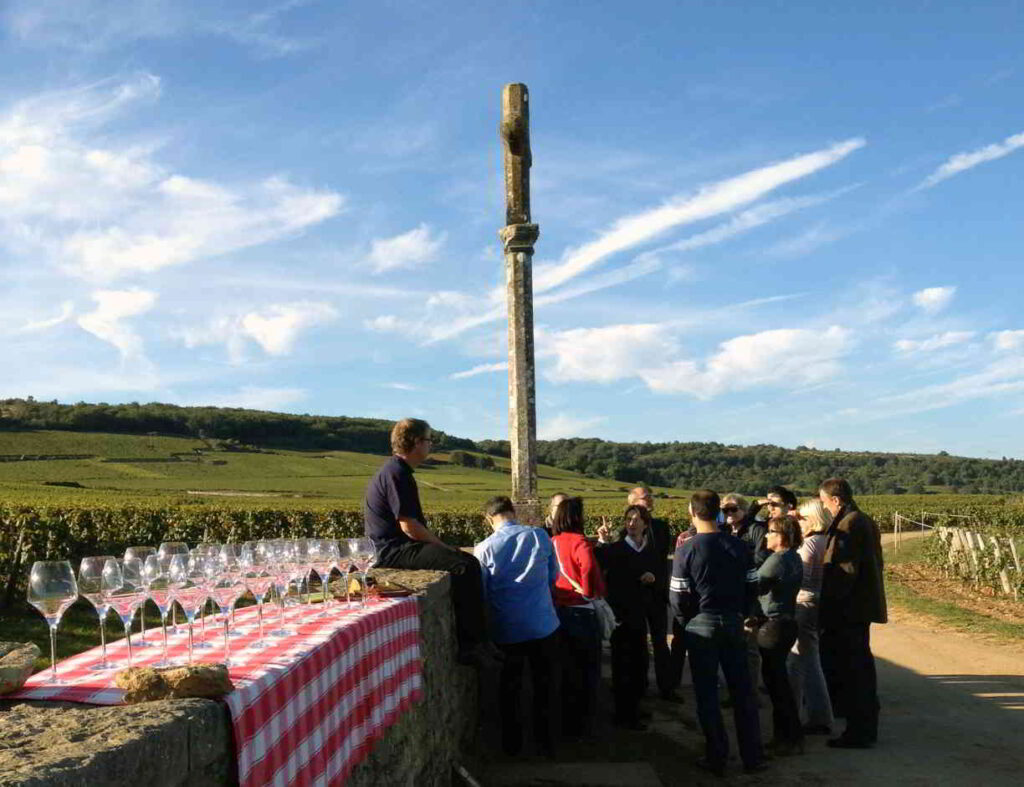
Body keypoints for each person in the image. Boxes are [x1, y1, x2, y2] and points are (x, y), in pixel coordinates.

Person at [363, 418, 497, 666]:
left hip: (396, 547)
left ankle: (480, 642)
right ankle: (471, 646)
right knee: (465, 566)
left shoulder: (395, 470)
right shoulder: (398, 473)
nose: (431, 444)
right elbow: (409, 526)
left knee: (465, 562)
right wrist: (443, 547)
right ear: (415, 442)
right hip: (394, 551)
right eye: (428, 439)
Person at [671, 490, 766, 777]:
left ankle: (717, 756)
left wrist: (686, 621)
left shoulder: (686, 549)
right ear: (720, 512)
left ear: (692, 511)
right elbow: (753, 584)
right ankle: (753, 756)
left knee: (707, 694)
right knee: (742, 692)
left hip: (701, 623)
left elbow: (678, 595)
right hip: (733, 623)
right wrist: (744, 612)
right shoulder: (738, 546)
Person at [474, 496, 561, 756]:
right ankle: (546, 743)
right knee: (544, 686)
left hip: (507, 628)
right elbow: (552, 577)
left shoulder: (484, 548)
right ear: (513, 512)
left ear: (489, 519)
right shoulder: (539, 537)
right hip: (543, 624)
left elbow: (483, 592)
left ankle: (512, 745)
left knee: (510, 689)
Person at [818, 478, 887, 749]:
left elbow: (843, 572)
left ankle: (860, 730)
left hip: (849, 610)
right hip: (858, 608)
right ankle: (863, 725)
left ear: (835, 500)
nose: (823, 507)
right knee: (860, 668)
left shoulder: (850, 523)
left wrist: (828, 606)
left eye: (824, 502)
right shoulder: (861, 519)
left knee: (855, 670)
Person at [597, 504, 662, 730]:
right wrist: (603, 542)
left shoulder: (650, 550)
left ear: (646, 523)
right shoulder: (615, 549)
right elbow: (599, 563)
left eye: (636, 519)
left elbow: (659, 575)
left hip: (640, 614)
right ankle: (623, 713)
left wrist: (652, 576)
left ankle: (635, 707)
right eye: (628, 519)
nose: (631, 523)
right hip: (620, 616)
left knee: (639, 664)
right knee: (622, 664)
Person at [551, 496, 605, 738]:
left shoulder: (551, 542)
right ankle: (585, 727)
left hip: (556, 614)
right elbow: (590, 570)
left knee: (564, 669)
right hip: (582, 612)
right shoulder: (580, 542)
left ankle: (563, 723)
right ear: (577, 517)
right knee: (588, 671)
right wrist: (591, 591)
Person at [625, 486, 682, 702]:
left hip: (656, 593)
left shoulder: (661, 527)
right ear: (632, 502)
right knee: (638, 643)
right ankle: (639, 686)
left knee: (660, 642)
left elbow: (659, 558)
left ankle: (666, 688)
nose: (650, 499)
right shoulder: (624, 530)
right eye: (644, 497)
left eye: (650, 496)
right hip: (634, 595)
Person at [755, 516, 805, 756]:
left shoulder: (777, 560)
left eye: (770, 531)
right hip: (787, 623)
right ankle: (789, 735)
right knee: (780, 683)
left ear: (782, 536)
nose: (766, 535)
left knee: (776, 685)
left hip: (773, 626)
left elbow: (754, 585)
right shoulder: (793, 558)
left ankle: (788, 737)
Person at [787, 499, 834, 736]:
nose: (799, 522)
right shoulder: (824, 540)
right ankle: (820, 715)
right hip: (815, 601)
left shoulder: (810, 544)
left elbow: (801, 577)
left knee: (798, 661)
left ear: (813, 519)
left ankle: (794, 714)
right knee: (811, 660)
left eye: (803, 518)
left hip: (803, 603)